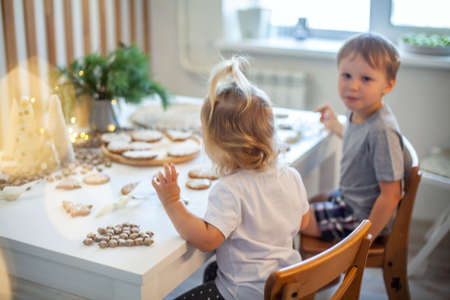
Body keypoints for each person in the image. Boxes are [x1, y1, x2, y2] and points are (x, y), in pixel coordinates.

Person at [152, 56, 312, 300]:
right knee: (212, 270)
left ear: (219, 145)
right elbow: (303, 222)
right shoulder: (290, 175)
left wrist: (172, 202)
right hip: (285, 288)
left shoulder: (230, 189)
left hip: (246, 294)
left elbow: (206, 241)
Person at [301, 32, 408, 243]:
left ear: (388, 85)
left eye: (366, 78)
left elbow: (391, 195)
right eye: (346, 75)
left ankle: (317, 272)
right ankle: (325, 275)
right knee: (303, 203)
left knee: (291, 218)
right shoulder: (359, 112)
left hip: (360, 218)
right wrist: (335, 125)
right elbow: (359, 142)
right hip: (348, 199)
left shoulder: (382, 131)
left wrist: (364, 239)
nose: (353, 86)